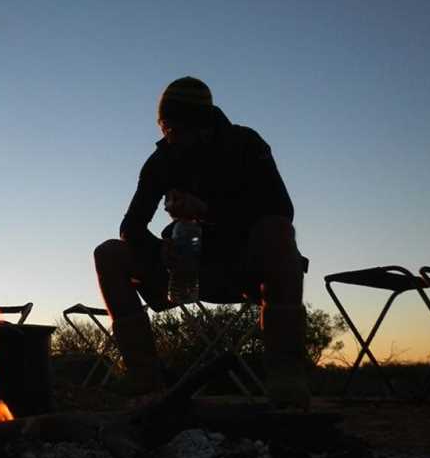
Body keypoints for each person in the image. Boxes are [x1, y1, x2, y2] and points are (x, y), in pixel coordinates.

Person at [93, 76, 310, 409]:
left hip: (241, 266)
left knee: (278, 232)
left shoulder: (246, 145)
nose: (170, 138)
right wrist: (156, 249)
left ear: (203, 125)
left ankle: (285, 375)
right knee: (109, 254)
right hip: (182, 268)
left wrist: (207, 211)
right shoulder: (161, 161)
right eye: (165, 129)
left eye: (177, 130)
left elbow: (281, 210)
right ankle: (145, 379)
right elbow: (131, 226)